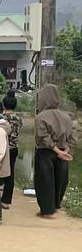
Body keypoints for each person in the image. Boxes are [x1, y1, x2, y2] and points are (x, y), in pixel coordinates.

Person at [34, 84, 77, 219]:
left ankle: (47, 211)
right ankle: (56, 206)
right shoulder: (66, 117)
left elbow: (44, 138)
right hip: (64, 152)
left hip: (46, 152)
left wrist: (56, 150)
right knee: (60, 180)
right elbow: (72, 138)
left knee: (45, 181)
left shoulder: (41, 117)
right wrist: (64, 151)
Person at [0, 91, 22, 209]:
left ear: (3, 105)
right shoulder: (19, 119)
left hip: (1, 148)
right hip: (14, 148)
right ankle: (6, 201)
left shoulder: (1, 117)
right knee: (10, 174)